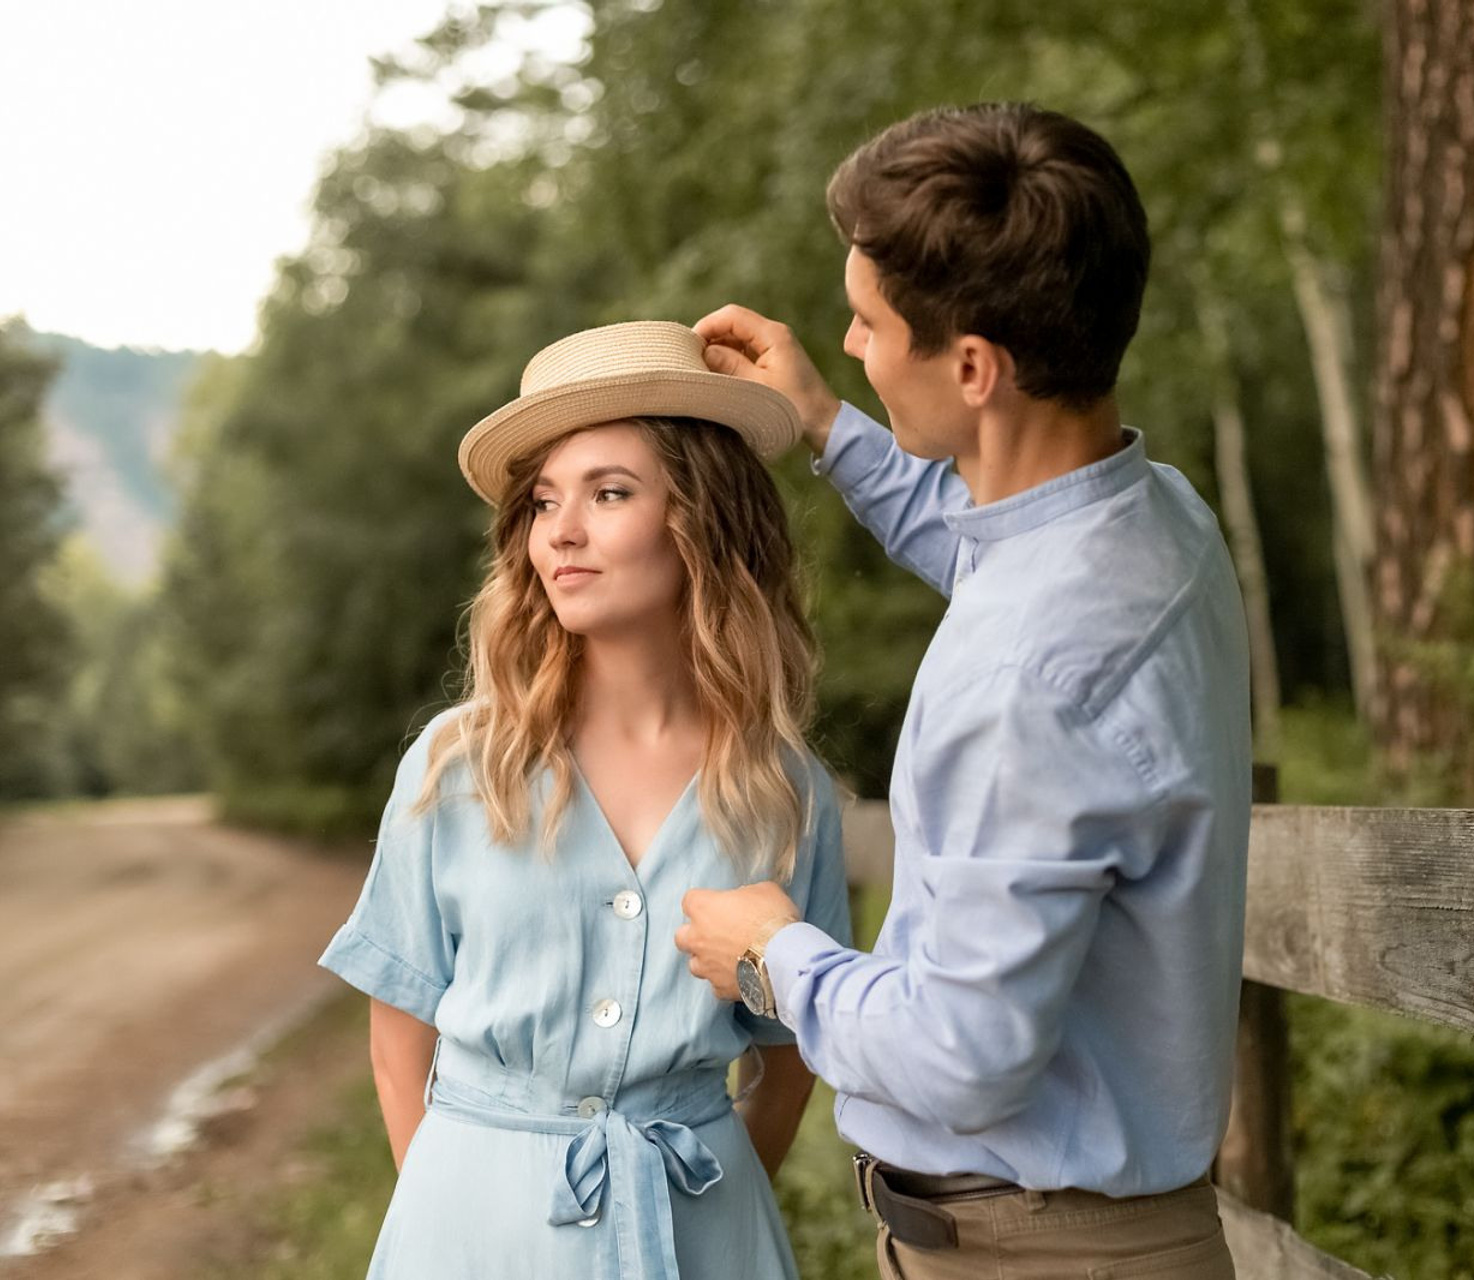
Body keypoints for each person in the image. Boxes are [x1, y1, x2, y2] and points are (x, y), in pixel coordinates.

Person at [675, 103, 1250, 1278]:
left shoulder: (1028, 682)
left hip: (1034, 1254)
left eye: (871, 324)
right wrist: (825, 422)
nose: (851, 343)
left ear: (975, 368)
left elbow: (962, 1053)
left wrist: (773, 954)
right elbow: (992, 545)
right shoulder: (1156, 519)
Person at [318, 320, 852, 1279]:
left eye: (609, 493)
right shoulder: (459, 766)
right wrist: (448, 1216)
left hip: (707, 1236)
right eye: (544, 501)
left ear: (701, 518)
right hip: (473, 1231)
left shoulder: (785, 791)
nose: (561, 531)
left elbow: (788, 1058)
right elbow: (399, 1039)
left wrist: (713, 1214)